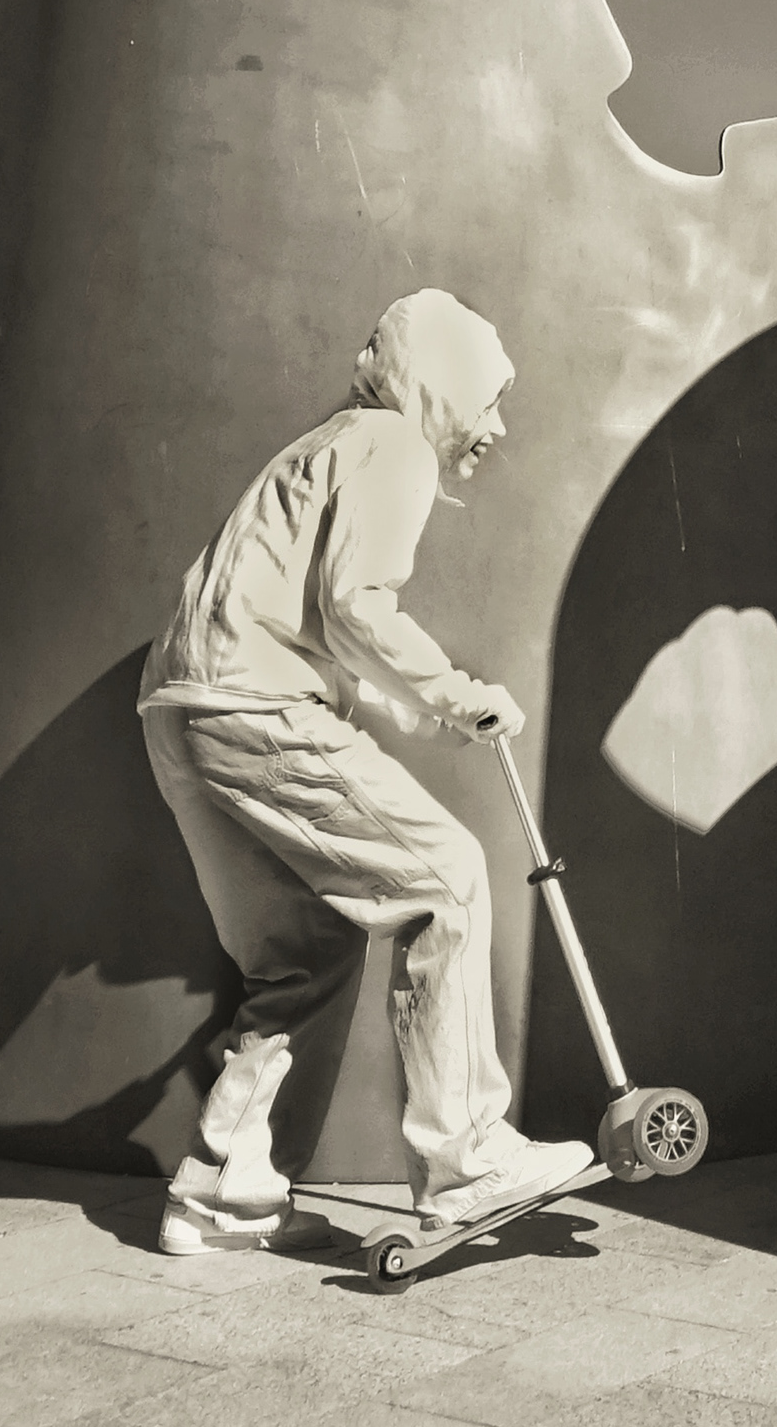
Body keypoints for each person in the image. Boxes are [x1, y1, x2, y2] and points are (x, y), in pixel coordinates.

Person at [136, 287, 598, 1256]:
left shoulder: (323, 445)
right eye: (488, 398)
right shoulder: (396, 446)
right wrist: (455, 691)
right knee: (449, 876)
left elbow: (311, 612)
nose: (497, 426)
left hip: (181, 711)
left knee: (303, 952)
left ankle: (225, 1183)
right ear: (443, 386)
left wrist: (404, 703)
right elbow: (357, 604)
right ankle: (466, 1158)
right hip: (251, 701)